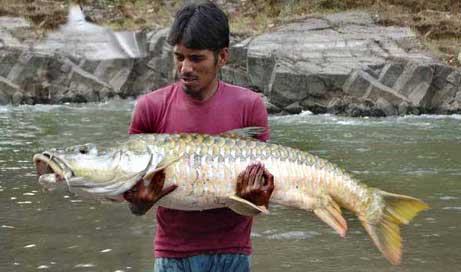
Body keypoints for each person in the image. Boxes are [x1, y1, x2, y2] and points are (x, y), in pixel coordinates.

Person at [123, 2, 274, 271]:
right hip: (172, 257)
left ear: (223, 57)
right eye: (179, 57)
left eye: (196, 58)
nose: (184, 68)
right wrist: (138, 202)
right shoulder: (150, 107)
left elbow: (260, 200)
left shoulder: (250, 105)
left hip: (233, 255)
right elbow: (133, 200)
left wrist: (256, 197)